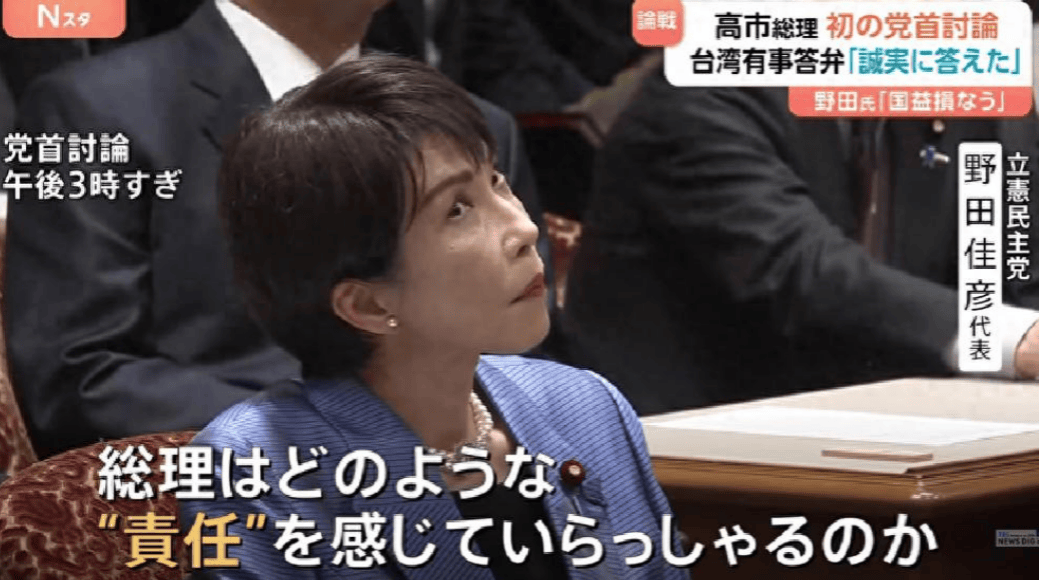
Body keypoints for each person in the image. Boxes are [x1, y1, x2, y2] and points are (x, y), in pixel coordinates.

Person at [178, 54, 689, 579]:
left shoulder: (587, 406)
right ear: (368, 304)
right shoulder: (256, 469)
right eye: (457, 210)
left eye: (496, 180)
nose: (524, 229)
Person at [4, 0, 547, 458]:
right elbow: (80, 374)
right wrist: (341, 426)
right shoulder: (91, 110)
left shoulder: (476, 124)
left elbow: (534, 346)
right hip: (238, 481)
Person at [563, 65, 1039, 416]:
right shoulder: (704, 91)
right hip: (690, 453)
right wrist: (1011, 339)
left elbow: (1016, 275)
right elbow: (800, 269)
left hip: (889, 425)